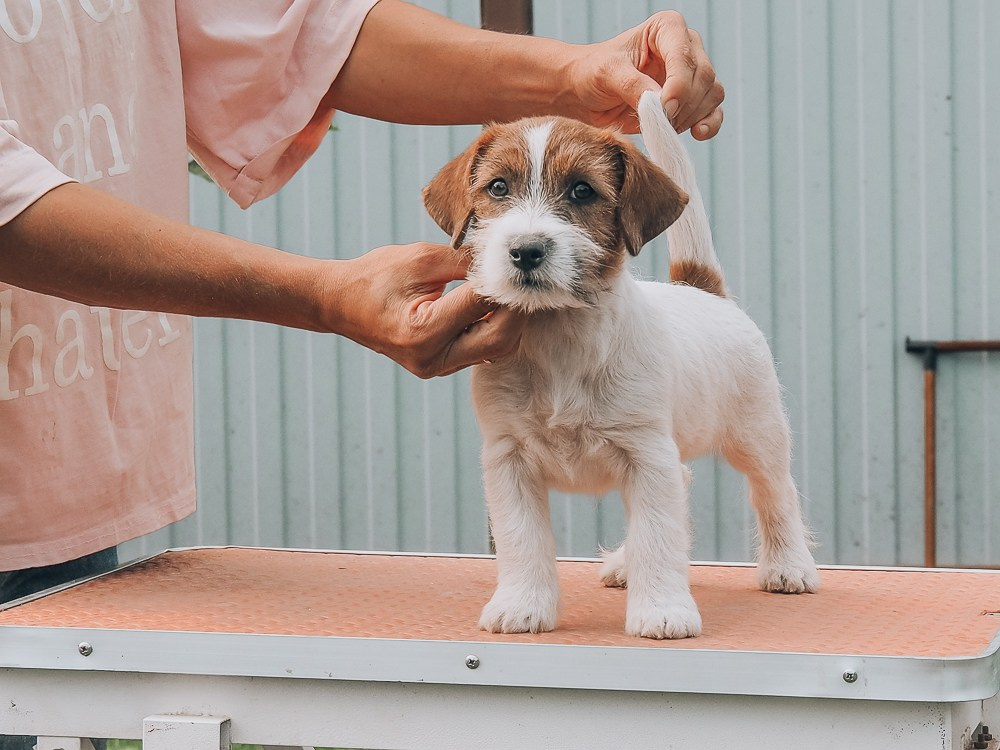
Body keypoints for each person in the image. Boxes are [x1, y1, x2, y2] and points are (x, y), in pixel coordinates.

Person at [0, 1, 721, 744]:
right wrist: (320, 294)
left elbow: (301, 37)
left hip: (63, 466)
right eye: (500, 193)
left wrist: (571, 71)